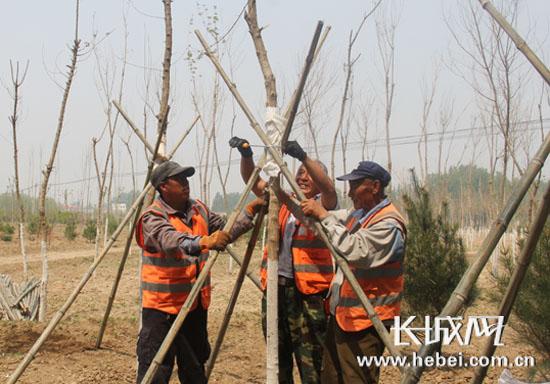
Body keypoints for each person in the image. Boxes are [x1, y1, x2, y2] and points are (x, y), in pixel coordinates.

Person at [135, 160, 265, 384]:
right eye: (180, 180)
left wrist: (249, 212)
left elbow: (224, 231)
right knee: (156, 371)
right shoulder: (152, 216)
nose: (186, 184)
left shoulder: (199, 209)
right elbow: (170, 240)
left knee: (194, 369)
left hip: (194, 306)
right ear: (163, 186)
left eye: (187, 179)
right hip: (162, 309)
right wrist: (204, 241)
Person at [229, 137, 337, 384]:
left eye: (309, 174)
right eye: (299, 173)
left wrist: (303, 158)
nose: (303, 177)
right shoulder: (281, 202)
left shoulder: (325, 207)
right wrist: (246, 155)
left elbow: (329, 189)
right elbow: (253, 181)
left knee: (313, 362)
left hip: (310, 296)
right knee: (278, 360)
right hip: (277, 290)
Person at [300, 160, 406, 384]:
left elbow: (358, 251)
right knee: (331, 378)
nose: (349, 193)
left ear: (375, 187)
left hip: (367, 321)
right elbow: (320, 223)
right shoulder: (359, 215)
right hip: (344, 317)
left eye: (355, 185)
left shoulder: (388, 224)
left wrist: (323, 215)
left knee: (357, 379)